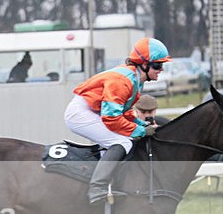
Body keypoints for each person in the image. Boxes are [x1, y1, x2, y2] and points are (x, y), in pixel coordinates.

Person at [65, 37, 171, 203]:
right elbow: (112, 118)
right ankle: (97, 188)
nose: (161, 69)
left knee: (123, 139)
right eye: (157, 65)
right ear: (143, 64)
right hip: (81, 113)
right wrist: (141, 130)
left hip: (92, 111)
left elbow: (124, 112)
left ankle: (110, 183)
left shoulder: (135, 80)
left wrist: (142, 124)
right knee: (123, 143)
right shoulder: (123, 81)